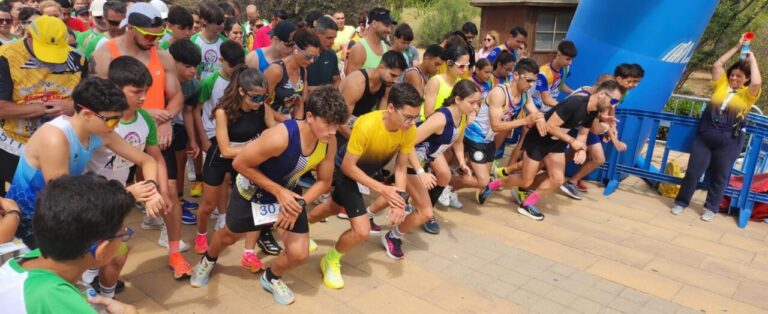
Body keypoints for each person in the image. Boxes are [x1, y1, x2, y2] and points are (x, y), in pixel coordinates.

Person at [191, 86, 347, 305]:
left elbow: (324, 181)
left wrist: (300, 203)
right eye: (328, 124)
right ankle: (208, 259)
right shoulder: (280, 136)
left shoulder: (328, 142)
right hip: (251, 192)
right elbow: (239, 163)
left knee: (300, 253)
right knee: (228, 236)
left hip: (288, 195)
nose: (333, 131)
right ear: (310, 117)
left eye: (337, 124)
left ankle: (271, 276)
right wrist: (278, 191)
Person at [6, 77, 165, 248]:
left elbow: (147, 160)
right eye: (112, 119)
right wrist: (126, 195)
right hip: (30, 218)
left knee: (116, 250)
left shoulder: (102, 130)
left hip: (62, 210)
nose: (116, 125)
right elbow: (62, 197)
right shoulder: (55, 138)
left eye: (119, 118)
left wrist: (150, 188)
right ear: (88, 114)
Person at [90, 2, 189, 276]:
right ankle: (95, 263)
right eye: (149, 36)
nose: (154, 41)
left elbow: (177, 96)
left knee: (169, 192)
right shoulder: (104, 54)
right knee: (105, 199)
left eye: (159, 36)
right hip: (114, 134)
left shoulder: (163, 56)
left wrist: (167, 118)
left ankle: (174, 251)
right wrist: (145, 112)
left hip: (153, 135)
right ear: (130, 28)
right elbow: (94, 98)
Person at [308, 83, 421, 289]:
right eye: (408, 117)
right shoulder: (367, 124)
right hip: (346, 172)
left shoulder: (409, 130)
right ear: (391, 108)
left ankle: (303, 226)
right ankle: (330, 260)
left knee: (332, 208)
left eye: (416, 117)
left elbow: (401, 167)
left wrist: (399, 201)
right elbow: (348, 167)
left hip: (365, 175)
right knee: (362, 230)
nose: (412, 122)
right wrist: (383, 189)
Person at [0, 175, 139, 314]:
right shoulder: (56, 301)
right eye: (123, 233)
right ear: (101, 249)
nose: (125, 234)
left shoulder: (24, 260)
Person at [373, 80, 479, 247]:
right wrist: (421, 171)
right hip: (409, 162)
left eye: (477, 103)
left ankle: (368, 216)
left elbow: (458, 143)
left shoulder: (463, 117)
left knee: (400, 196)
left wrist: (461, 162)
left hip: (424, 161)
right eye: (472, 102)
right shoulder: (440, 119)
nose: (475, 107)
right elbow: (408, 143)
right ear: (458, 99)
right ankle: (392, 236)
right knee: (425, 212)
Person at [501, 80, 622, 220]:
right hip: (539, 139)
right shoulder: (575, 102)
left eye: (617, 103)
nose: (613, 105)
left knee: (557, 179)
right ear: (601, 94)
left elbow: (583, 134)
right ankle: (492, 185)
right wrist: (572, 141)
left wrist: (581, 149)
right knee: (526, 180)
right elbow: (550, 126)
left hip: (556, 143)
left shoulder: (593, 111)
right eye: (613, 100)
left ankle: (526, 205)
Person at [672, 36, 762, 222]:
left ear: (745, 79)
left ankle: (711, 207)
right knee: (693, 171)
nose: (734, 78)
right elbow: (717, 65)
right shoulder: (721, 85)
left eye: (739, 76)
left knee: (719, 176)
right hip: (706, 135)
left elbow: (756, 83)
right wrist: (737, 46)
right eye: (733, 75)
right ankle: (681, 202)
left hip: (730, 140)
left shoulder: (748, 95)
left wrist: (752, 59)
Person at [0, 16, 86, 197]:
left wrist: (72, 106)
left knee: (56, 196)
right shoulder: (6, 56)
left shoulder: (78, 60)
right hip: (17, 144)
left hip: (63, 143)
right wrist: (44, 108)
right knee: (21, 198)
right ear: (29, 36)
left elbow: (87, 100)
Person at [448, 58, 544, 206]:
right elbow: (496, 126)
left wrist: (541, 121)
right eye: (529, 80)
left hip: (488, 140)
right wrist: (525, 121)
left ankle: (450, 190)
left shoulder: (525, 96)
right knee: (483, 180)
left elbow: (536, 114)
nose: (531, 85)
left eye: (534, 81)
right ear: (516, 75)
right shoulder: (499, 93)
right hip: (475, 136)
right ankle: (444, 181)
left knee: (478, 178)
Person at [193, 40, 247, 255]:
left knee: (229, 180)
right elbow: (197, 110)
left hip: (235, 141)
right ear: (221, 61)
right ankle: (202, 232)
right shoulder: (211, 81)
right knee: (208, 200)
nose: (234, 69)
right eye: (230, 65)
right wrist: (203, 139)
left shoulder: (244, 79)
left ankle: (224, 215)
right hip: (213, 137)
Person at [560, 64, 643, 198]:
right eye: (631, 81)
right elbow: (601, 116)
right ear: (619, 79)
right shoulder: (608, 88)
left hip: (588, 124)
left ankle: (567, 178)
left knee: (576, 154)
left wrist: (613, 128)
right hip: (587, 124)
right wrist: (614, 137)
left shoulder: (622, 91)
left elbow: (611, 110)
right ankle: (568, 180)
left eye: (637, 82)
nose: (634, 85)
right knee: (597, 158)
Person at [162, 39, 202, 229]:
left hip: (177, 129)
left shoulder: (193, 86)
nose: (193, 71)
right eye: (187, 66)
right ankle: (166, 206)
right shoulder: (158, 81)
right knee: (163, 172)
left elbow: (188, 112)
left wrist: (193, 140)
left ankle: (178, 199)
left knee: (179, 166)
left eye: (195, 66)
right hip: (156, 130)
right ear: (172, 62)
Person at [264, 28, 321, 126]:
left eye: (315, 57)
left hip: (289, 123)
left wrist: (297, 124)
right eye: (308, 56)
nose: (312, 61)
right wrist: (286, 122)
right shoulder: (276, 70)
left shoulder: (303, 71)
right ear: (295, 49)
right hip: (270, 122)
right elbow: (261, 103)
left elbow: (300, 102)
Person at [421, 46, 470, 122]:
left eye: (467, 66)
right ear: (449, 63)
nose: (465, 70)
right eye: (461, 66)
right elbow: (428, 113)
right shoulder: (436, 82)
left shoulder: (460, 82)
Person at [530, 39, 577, 113]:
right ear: (558, 54)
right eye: (567, 59)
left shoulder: (565, 68)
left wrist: (575, 92)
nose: (570, 63)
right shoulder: (543, 73)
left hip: (550, 106)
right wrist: (564, 106)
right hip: (535, 108)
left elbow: (560, 85)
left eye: (572, 60)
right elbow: (545, 100)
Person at [344, 7, 393, 76]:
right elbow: (350, 82)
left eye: (390, 26)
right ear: (374, 24)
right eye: (386, 25)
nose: (389, 30)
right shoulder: (359, 49)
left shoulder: (388, 49)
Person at [191, 1, 225, 80]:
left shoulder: (225, 42)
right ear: (205, 21)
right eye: (218, 22)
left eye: (223, 22)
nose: (222, 25)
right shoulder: (194, 41)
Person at [306, 15, 340, 91]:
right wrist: (326, 90)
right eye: (329, 38)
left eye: (334, 38)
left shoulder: (331, 54)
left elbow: (337, 80)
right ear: (317, 34)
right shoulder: (303, 55)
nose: (332, 42)